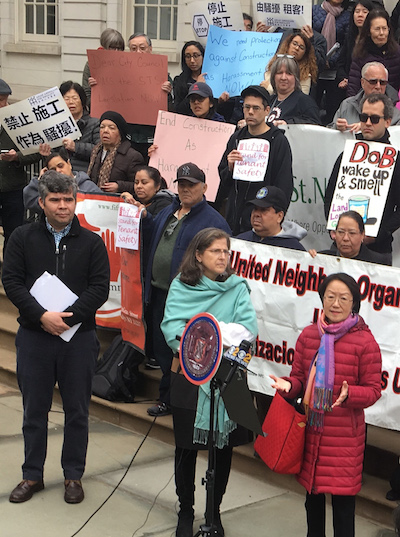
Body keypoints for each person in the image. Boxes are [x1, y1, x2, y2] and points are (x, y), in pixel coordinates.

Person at [2, 171, 110, 504]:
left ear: (75, 201)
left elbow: (99, 288)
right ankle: (32, 474)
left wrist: (69, 318)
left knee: (77, 410)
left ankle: (73, 475)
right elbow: (12, 281)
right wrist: (41, 317)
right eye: (55, 200)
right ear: (42, 202)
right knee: (34, 409)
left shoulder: (92, 242)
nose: (63, 206)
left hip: (78, 338)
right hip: (35, 337)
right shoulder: (21, 237)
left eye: (68, 200)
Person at [161, 227, 258, 537]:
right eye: (215, 251)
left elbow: (247, 330)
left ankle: (213, 512)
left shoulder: (237, 287)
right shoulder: (181, 285)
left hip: (229, 377)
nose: (222, 256)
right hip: (190, 373)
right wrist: (202, 345)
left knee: (224, 449)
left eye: (226, 251)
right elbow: (173, 326)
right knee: (186, 448)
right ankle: (186, 511)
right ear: (198, 255)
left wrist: (214, 336)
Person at [270, 272, 381, 537]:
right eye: (330, 296)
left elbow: (374, 390)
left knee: (343, 510)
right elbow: (298, 378)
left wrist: (350, 394)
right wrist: (289, 386)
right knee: (313, 502)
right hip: (312, 431)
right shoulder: (309, 335)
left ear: (354, 303)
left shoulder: (365, 342)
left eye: (344, 298)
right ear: (322, 299)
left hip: (344, 438)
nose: (335, 303)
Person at [132, 163, 231, 417]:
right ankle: (171, 397)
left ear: (204, 188)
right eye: (182, 184)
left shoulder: (213, 221)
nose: (186, 189)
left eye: (192, 185)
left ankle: (176, 401)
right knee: (162, 347)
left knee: (181, 351)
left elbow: (220, 264)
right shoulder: (168, 211)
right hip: (157, 292)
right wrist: (144, 219)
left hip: (188, 299)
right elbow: (154, 235)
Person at [325, 93, 400, 263]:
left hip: (378, 250)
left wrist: (378, 234)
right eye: (363, 117)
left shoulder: (396, 159)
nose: (367, 123)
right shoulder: (347, 154)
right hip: (340, 247)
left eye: (374, 119)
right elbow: (330, 195)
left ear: (387, 122)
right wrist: (333, 227)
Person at [216, 85, 293, 235]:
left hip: (263, 224)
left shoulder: (278, 141)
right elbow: (223, 182)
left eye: (256, 108)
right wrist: (230, 169)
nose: (250, 112)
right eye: (247, 107)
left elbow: (284, 185)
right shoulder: (236, 138)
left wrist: (274, 219)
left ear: (267, 110)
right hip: (234, 220)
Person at [0, 79, 42, 254]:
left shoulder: (18, 120)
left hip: (13, 187)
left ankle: (9, 272)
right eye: (0, 100)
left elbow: (37, 151)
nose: (4, 104)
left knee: (13, 233)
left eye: (6, 99)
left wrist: (16, 156)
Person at [23, 147, 101, 214]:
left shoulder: (87, 185)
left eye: (60, 166)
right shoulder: (48, 188)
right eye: (53, 169)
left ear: (69, 164)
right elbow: (30, 200)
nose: (58, 171)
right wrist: (40, 180)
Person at [330, 61, 400, 131]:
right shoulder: (347, 105)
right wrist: (337, 127)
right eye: (373, 82)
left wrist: (365, 127)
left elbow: (396, 138)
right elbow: (329, 134)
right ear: (362, 83)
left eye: (382, 82)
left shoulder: (395, 113)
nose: (378, 86)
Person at [312, 0, 351, 123]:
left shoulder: (348, 16)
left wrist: (331, 61)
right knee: (312, 104)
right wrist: (320, 59)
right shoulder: (314, 11)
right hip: (314, 67)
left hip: (335, 70)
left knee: (333, 107)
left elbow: (346, 43)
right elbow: (307, 38)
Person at [87, 111, 144, 193]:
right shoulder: (96, 151)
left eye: (111, 128)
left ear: (120, 132)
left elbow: (140, 186)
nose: (105, 131)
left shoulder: (132, 156)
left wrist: (120, 186)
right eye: (102, 127)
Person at [348, 9, 400, 97]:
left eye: (384, 28)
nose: (381, 33)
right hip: (367, 104)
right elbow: (353, 87)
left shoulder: (397, 53)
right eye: (377, 29)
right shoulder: (360, 54)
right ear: (368, 32)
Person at [236, 186, 306, 250]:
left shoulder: (294, 249)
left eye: (263, 210)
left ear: (279, 216)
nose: (256, 214)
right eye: (255, 209)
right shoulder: (240, 241)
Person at [309, 210, 391, 264]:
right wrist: (308, 259)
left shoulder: (379, 262)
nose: (345, 238)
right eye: (341, 232)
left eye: (352, 233)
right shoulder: (322, 258)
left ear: (362, 235)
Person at [267, 55, 321, 125]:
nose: (283, 77)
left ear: (296, 78)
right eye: (279, 73)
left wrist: (289, 124)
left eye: (289, 73)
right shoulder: (268, 101)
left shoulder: (304, 102)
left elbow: (315, 125)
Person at [59, 81, 100, 172]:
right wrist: (47, 154)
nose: (71, 102)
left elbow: (99, 150)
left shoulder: (95, 124)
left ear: (82, 101)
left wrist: (75, 147)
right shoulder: (57, 126)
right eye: (66, 98)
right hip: (60, 175)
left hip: (85, 175)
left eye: (75, 98)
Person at [335, 0, 374, 94]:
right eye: (357, 11)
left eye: (364, 12)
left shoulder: (374, 39)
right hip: (347, 83)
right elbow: (341, 61)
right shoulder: (350, 36)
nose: (360, 15)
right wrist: (343, 77)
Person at [82, 28, 125, 111]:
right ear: (103, 47)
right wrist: (94, 88)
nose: (116, 51)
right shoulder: (91, 64)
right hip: (100, 112)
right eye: (112, 48)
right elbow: (86, 94)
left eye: (119, 48)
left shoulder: (127, 64)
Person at [173, 41, 206, 116]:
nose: (192, 61)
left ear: (203, 57)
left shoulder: (211, 79)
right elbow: (178, 109)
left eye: (196, 56)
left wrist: (221, 101)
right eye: (188, 56)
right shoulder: (179, 80)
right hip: (187, 123)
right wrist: (196, 87)